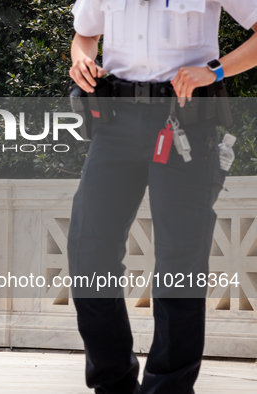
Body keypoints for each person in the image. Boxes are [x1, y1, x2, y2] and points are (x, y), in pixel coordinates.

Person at [67, 1, 257, 393]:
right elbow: (85, 34)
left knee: (180, 263)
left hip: (185, 122)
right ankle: (113, 383)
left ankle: (167, 387)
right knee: (88, 253)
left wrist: (215, 70)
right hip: (114, 125)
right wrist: (82, 61)